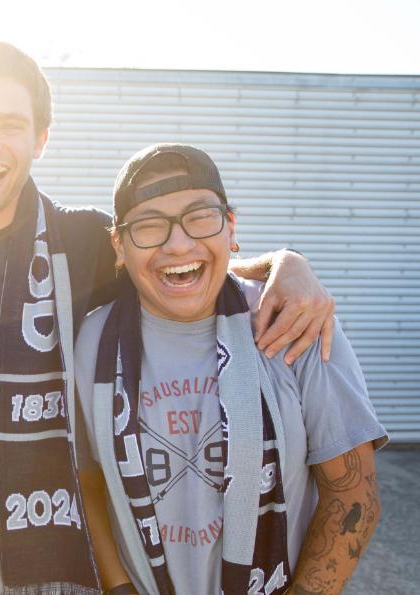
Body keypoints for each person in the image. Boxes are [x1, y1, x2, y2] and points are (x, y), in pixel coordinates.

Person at [0, 41, 336, 594]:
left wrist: (285, 264)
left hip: (52, 556)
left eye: (10, 124)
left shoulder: (82, 242)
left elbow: (183, 258)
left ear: (40, 139)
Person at [74, 143, 388, 595]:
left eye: (200, 217)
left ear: (231, 228)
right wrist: (119, 588)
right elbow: (88, 482)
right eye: (148, 226)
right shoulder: (91, 343)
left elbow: (354, 496)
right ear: (118, 247)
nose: (178, 243)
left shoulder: (294, 321)